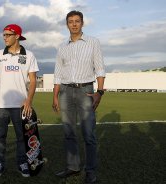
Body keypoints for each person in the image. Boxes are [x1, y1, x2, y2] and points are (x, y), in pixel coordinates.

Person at [52, 10, 105, 184]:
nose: (74, 24)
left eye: (77, 21)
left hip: (86, 91)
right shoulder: (62, 46)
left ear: (82, 23)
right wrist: (55, 96)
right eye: (70, 21)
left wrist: (100, 91)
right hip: (65, 92)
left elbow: (100, 68)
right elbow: (58, 73)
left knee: (88, 133)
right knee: (69, 133)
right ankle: (73, 167)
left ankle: (90, 171)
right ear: (67, 24)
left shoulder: (93, 42)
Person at [0, 24, 39, 178]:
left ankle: (22, 162)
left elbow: (33, 81)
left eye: (8, 35)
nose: (4, 38)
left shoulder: (29, 55)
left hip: (20, 105)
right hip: (1, 104)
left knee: (21, 137)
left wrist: (28, 101)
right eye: (4, 35)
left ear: (17, 36)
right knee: (0, 137)